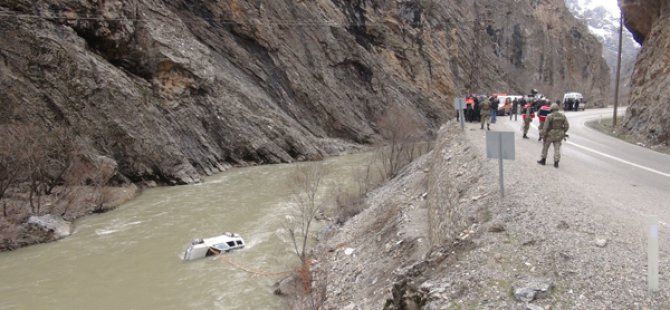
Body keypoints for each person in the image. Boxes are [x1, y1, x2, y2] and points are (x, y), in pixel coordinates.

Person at [537, 103, 570, 168]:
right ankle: (556, 162)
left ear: (551, 108)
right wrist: (563, 131)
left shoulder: (549, 116)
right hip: (559, 134)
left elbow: (545, 127)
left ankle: (543, 160)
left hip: (550, 134)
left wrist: (543, 134)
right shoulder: (562, 116)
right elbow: (567, 126)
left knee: (545, 147)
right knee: (557, 148)